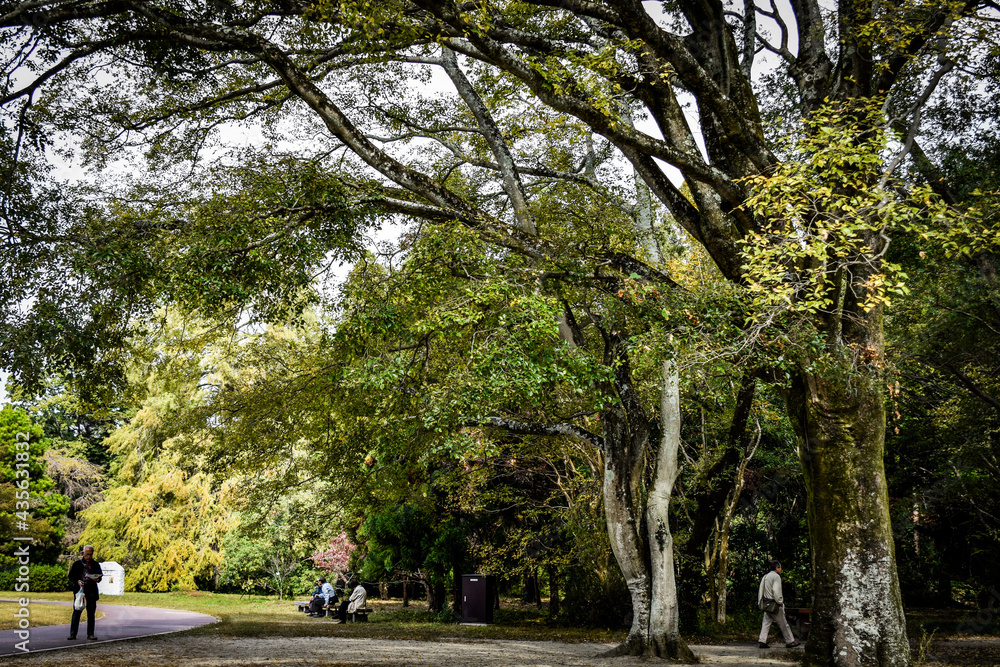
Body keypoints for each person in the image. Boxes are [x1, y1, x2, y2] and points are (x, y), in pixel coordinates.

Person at [757, 560, 799, 649]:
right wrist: (780, 602)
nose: (781, 569)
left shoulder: (766, 576)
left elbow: (761, 590)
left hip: (767, 604)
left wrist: (760, 602)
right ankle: (790, 641)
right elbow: (776, 591)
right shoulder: (776, 577)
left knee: (766, 623)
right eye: (780, 567)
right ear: (777, 568)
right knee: (783, 623)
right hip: (775, 604)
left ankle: (762, 641)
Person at [68, 545, 103, 641]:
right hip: (80, 592)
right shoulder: (77, 564)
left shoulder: (95, 564)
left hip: (91, 591)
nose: (89, 557)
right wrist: (78, 581)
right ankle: (73, 633)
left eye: (91, 555)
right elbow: (71, 576)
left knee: (91, 613)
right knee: (77, 612)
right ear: (83, 553)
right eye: (87, 554)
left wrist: (97, 578)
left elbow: (100, 576)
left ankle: (90, 634)